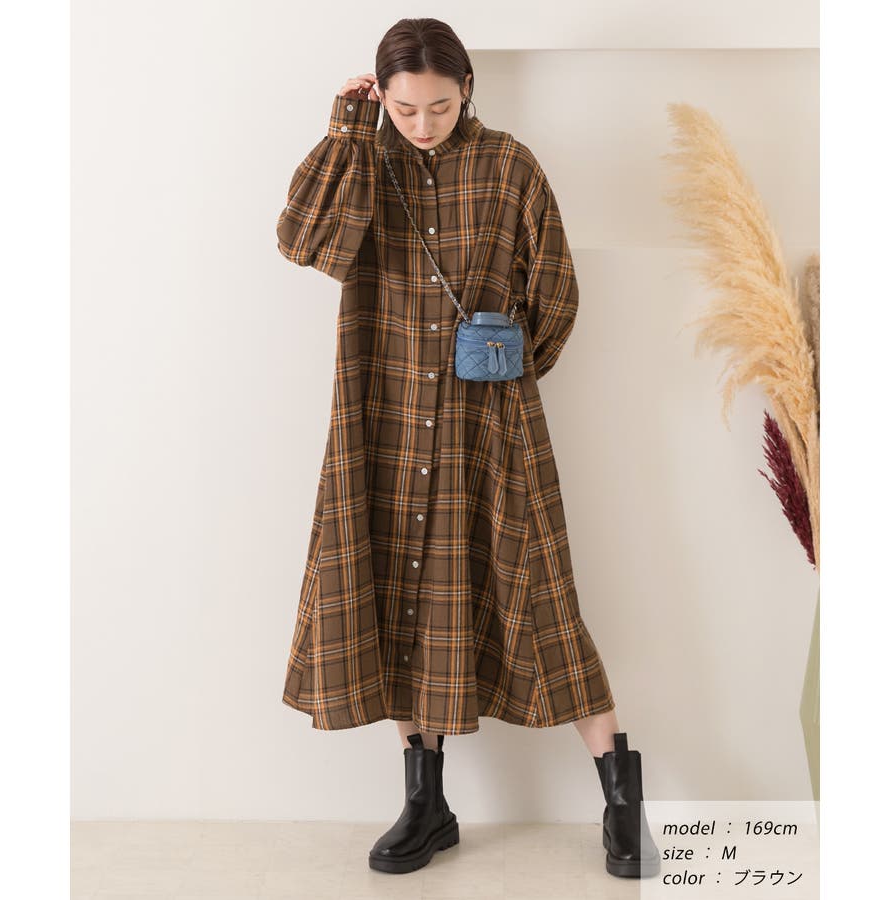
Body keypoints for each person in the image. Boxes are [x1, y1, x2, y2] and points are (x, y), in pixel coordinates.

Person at [276, 16, 659, 880]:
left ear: (467, 90)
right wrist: (348, 129)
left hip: (489, 424)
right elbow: (303, 242)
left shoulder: (510, 166)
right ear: (381, 96)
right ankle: (427, 805)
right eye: (405, 108)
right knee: (403, 601)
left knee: (544, 602)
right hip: (382, 415)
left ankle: (621, 801)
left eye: (440, 107)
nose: (423, 124)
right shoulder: (363, 161)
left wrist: (503, 374)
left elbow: (556, 293)